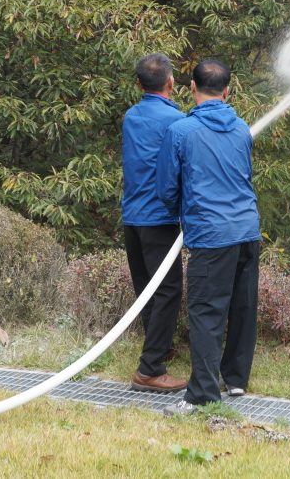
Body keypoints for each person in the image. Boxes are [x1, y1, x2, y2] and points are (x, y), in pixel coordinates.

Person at [156, 60, 261, 416]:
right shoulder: (242, 128)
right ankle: (235, 378)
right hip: (247, 229)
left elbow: (167, 189)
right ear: (227, 91)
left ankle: (202, 395)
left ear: (191, 87)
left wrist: (184, 212)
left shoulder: (181, 131)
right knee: (242, 306)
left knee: (205, 311)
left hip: (212, 234)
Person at [122, 53, 188, 393]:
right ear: (171, 82)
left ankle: (158, 346)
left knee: (147, 289)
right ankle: (150, 370)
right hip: (158, 219)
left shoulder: (131, 116)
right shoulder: (177, 122)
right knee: (168, 290)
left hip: (131, 218)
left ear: (138, 84)